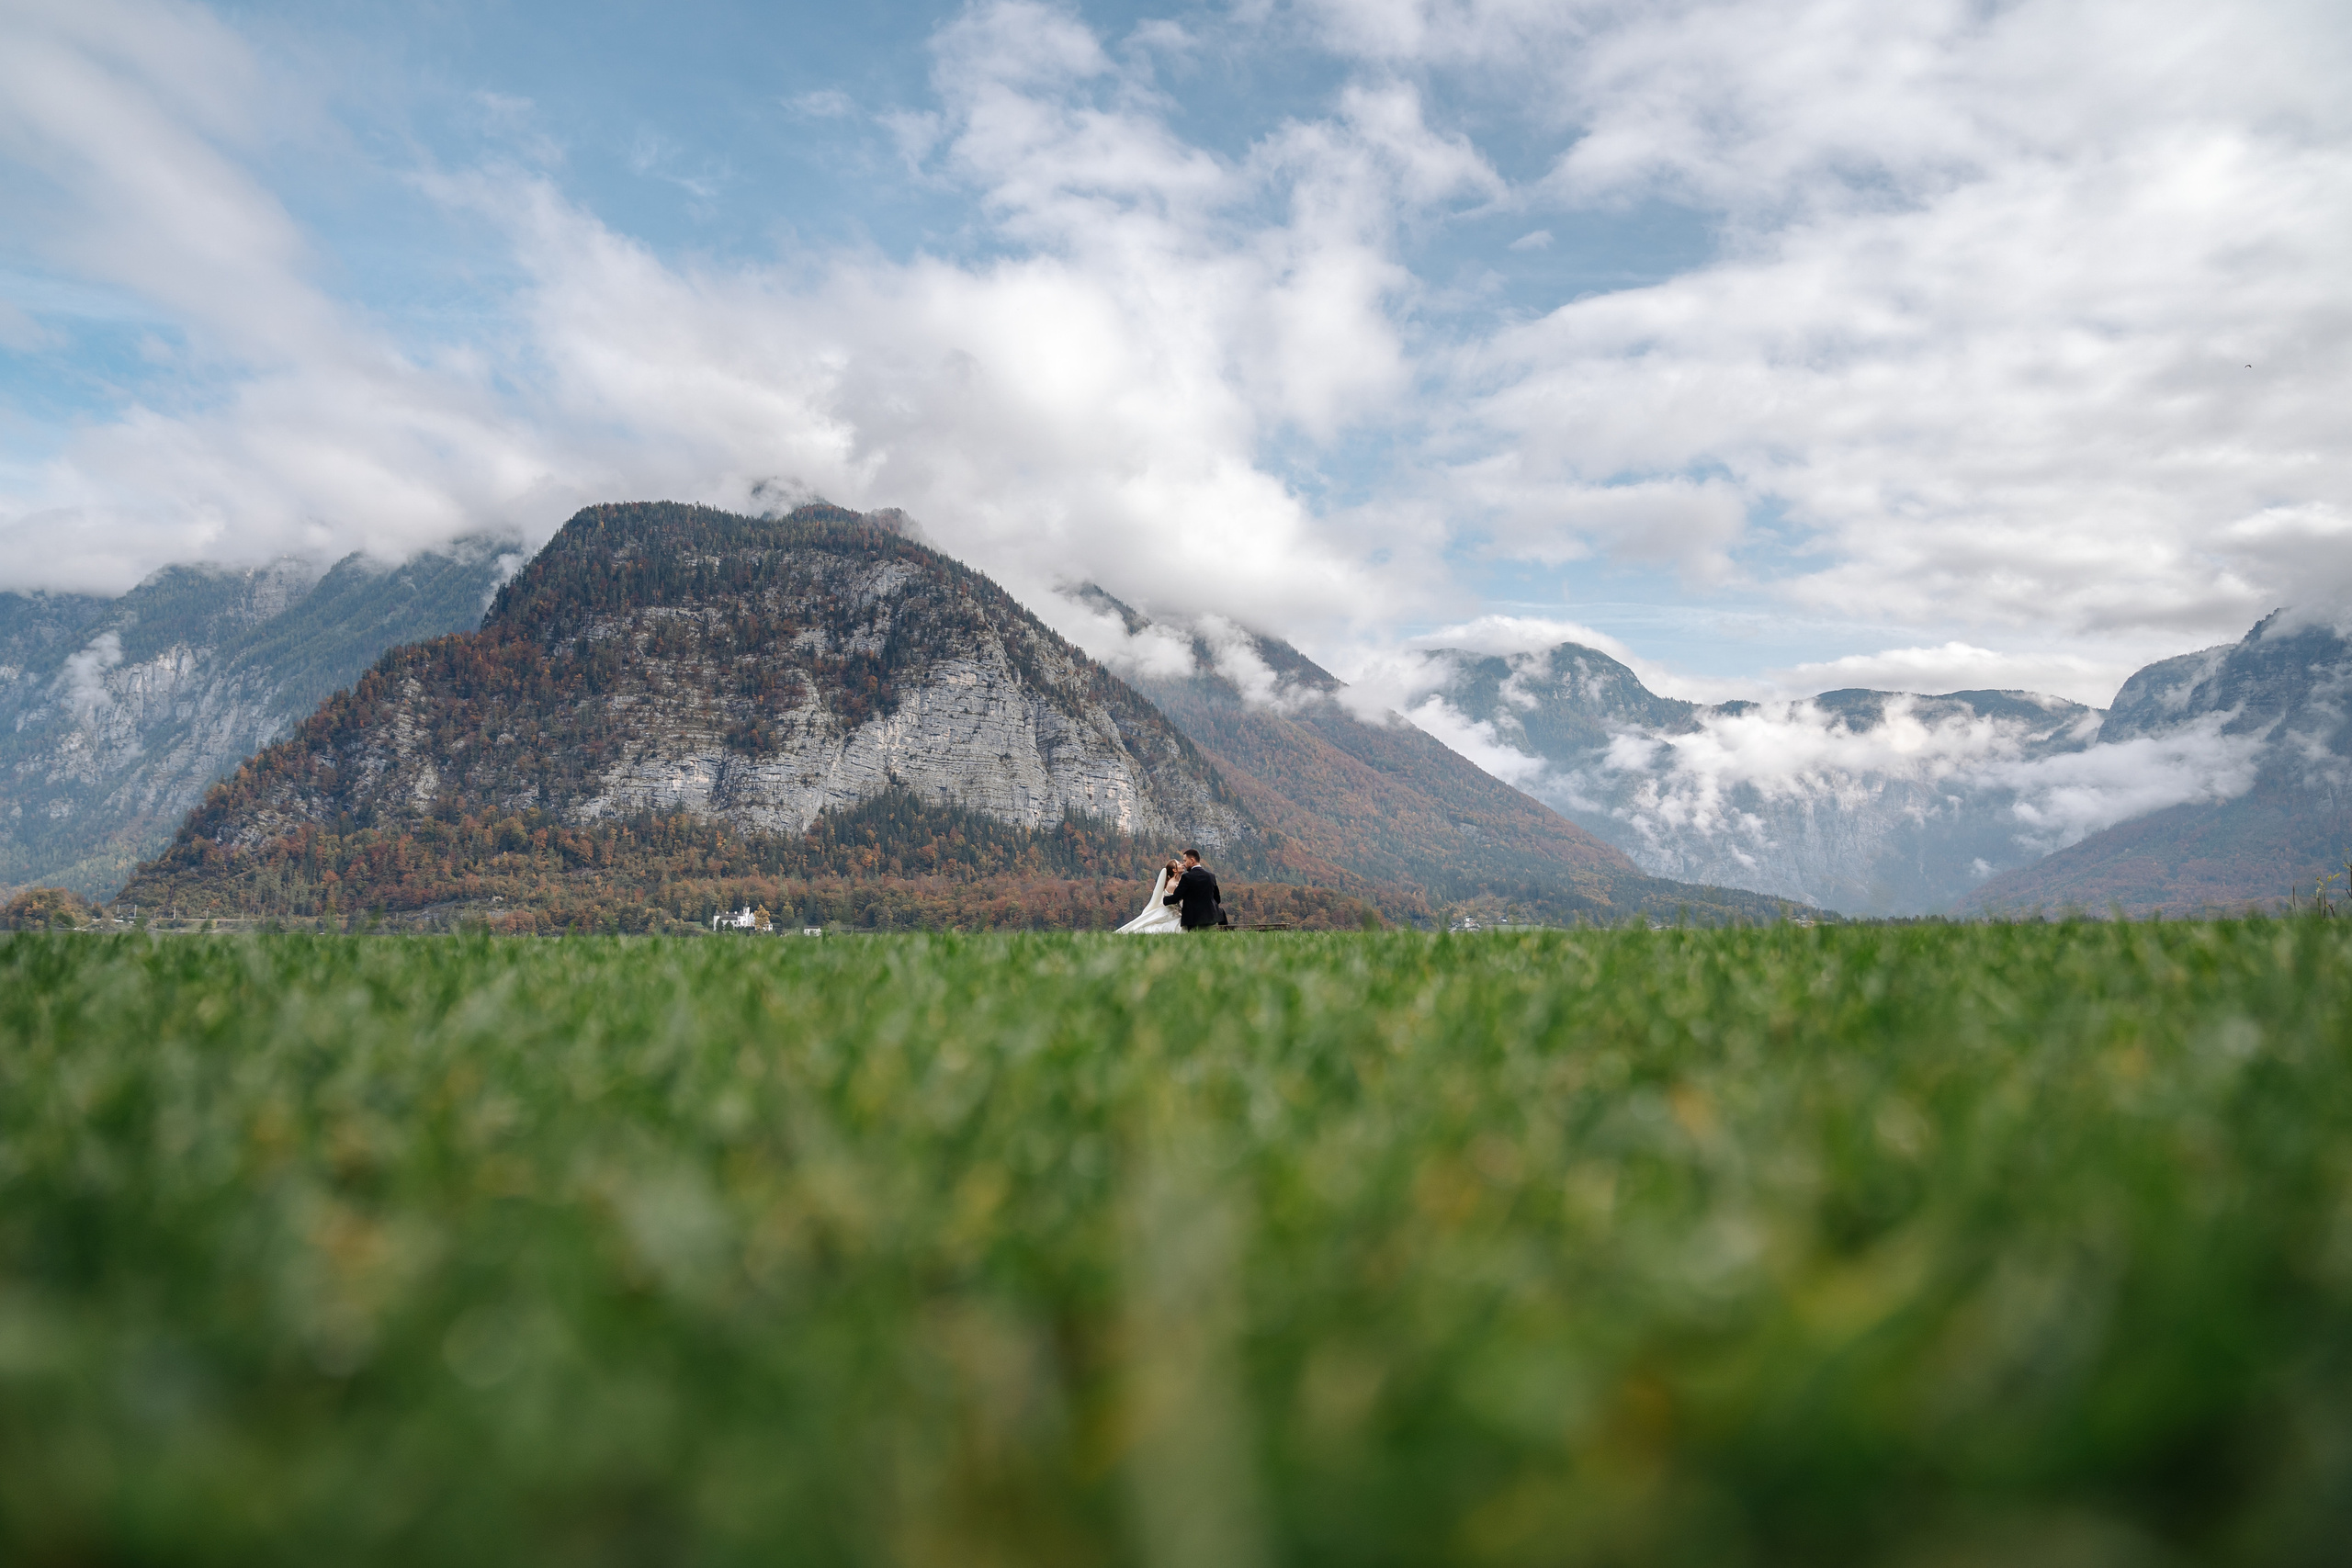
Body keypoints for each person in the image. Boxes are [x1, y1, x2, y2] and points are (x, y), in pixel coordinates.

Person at [1114, 858, 1186, 934]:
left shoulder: (1177, 881)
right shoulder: (1172, 884)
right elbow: (1173, 901)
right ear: (1174, 870)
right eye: (1179, 864)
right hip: (1171, 911)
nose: (1182, 865)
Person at [1162, 849, 1224, 931]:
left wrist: (1164, 899)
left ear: (1192, 860)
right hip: (1210, 918)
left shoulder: (1187, 877)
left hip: (1193, 919)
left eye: (1185, 861)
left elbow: (1175, 898)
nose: (1184, 864)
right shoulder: (1211, 876)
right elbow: (1217, 899)